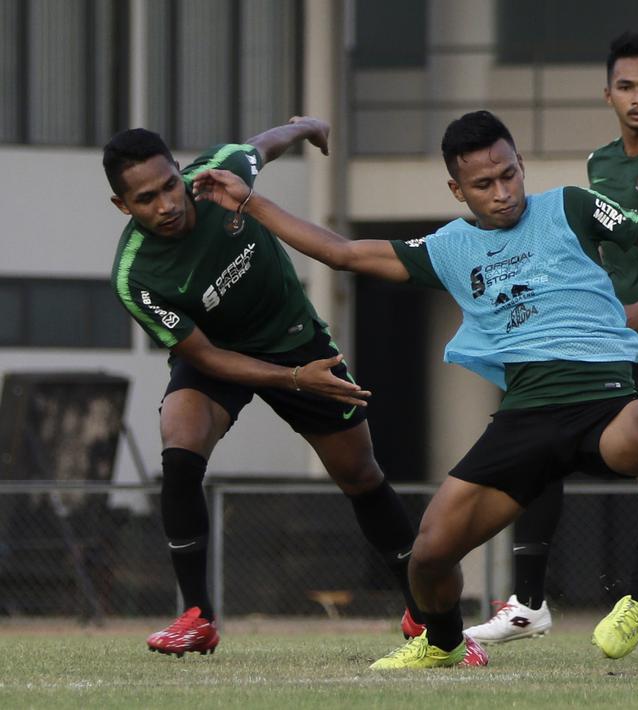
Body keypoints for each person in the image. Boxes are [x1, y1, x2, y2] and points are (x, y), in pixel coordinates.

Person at [190, 110, 638, 669]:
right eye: (484, 184)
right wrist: (249, 202)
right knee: (429, 556)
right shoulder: (448, 248)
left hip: (607, 399)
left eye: (509, 174)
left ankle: (636, 598)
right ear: (456, 188)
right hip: (524, 419)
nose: (502, 193)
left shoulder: (574, 206)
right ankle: (441, 642)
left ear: (521, 163)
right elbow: (341, 252)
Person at [104, 119, 488, 665]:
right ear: (123, 206)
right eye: (146, 198)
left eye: (169, 184)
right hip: (217, 356)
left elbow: (262, 146)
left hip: (298, 343)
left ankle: (424, 616)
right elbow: (206, 358)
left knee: (361, 475)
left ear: (178, 171)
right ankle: (197, 616)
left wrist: (304, 126)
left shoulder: (220, 175)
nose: (166, 202)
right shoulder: (134, 276)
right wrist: (289, 381)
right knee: (179, 439)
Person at [463, 32, 638, 654]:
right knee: (541, 442)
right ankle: (529, 603)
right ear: (608, 94)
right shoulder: (598, 164)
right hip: (600, 346)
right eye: (626, 86)